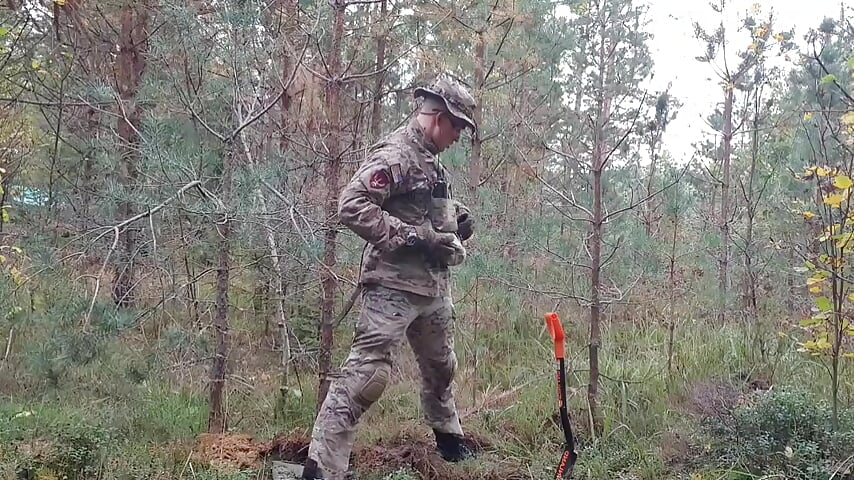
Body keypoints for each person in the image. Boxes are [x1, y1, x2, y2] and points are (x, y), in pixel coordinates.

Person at [301, 76, 478, 480]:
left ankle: (449, 441)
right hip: (393, 287)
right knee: (366, 375)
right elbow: (352, 205)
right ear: (438, 117)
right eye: (458, 127)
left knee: (441, 366)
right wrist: (418, 238)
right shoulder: (396, 153)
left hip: (431, 288)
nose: (458, 137)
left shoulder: (430, 157)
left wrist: (455, 219)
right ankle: (322, 468)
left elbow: (419, 205)